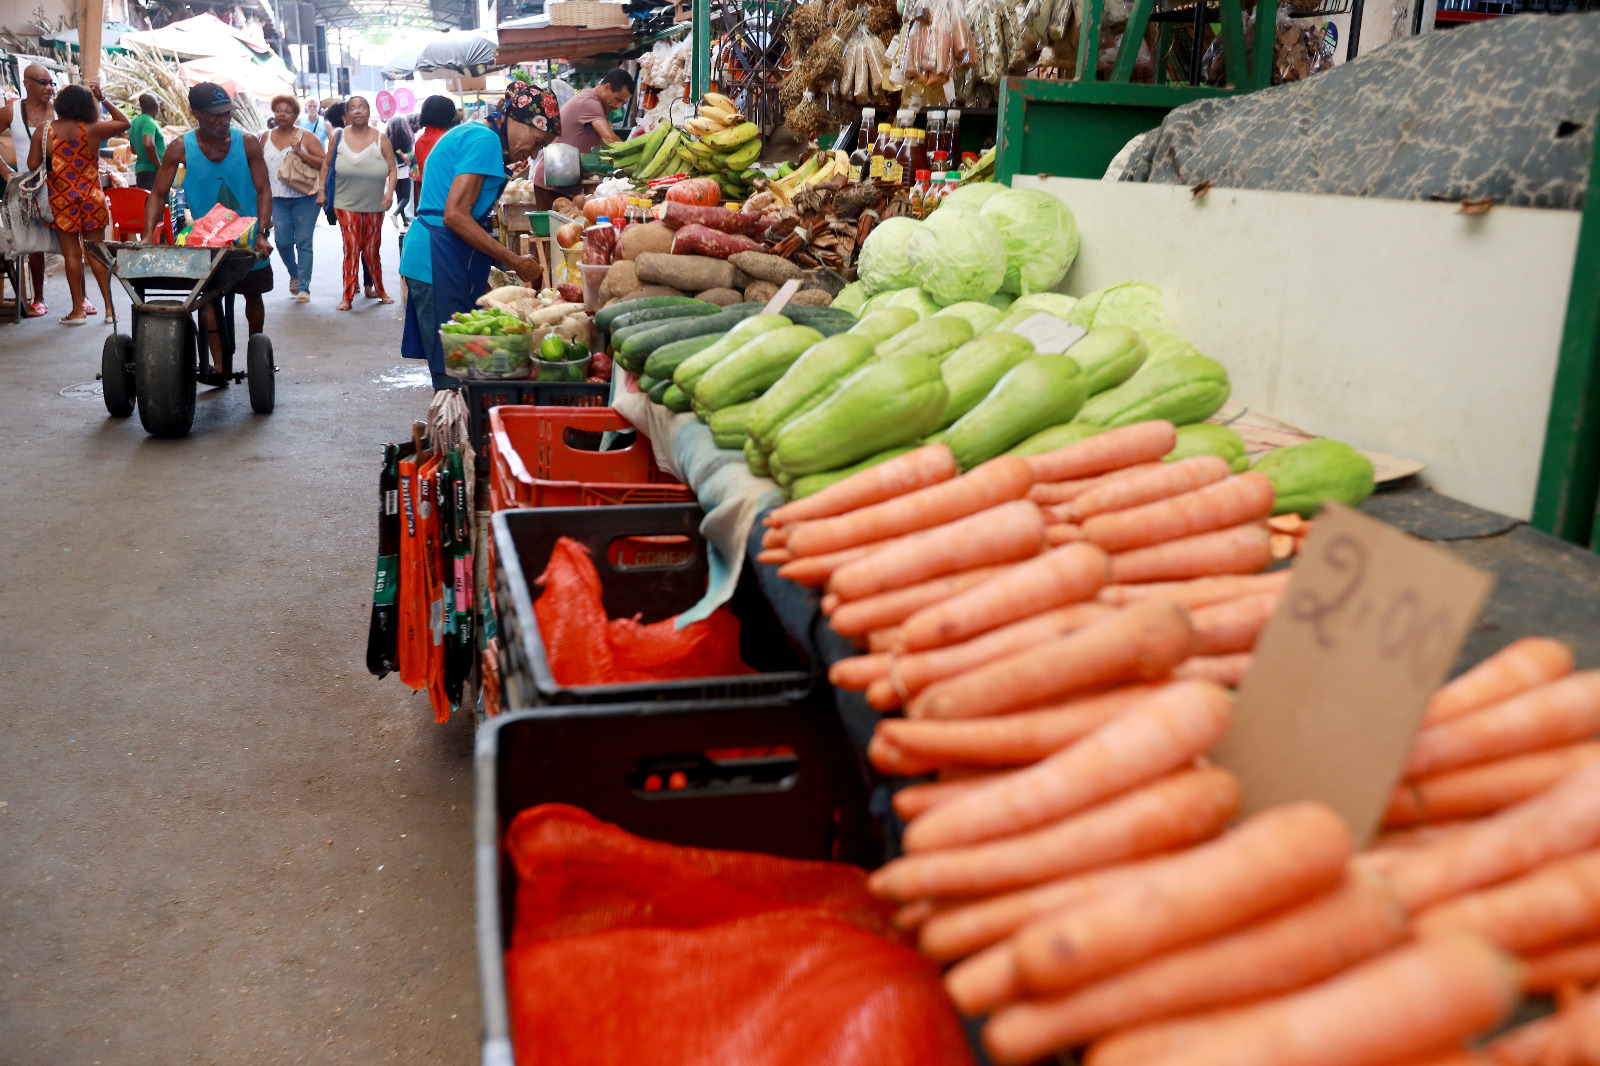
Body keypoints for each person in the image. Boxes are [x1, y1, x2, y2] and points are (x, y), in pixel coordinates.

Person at [399, 75, 554, 389]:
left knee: (459, 366)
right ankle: (452, 435)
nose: (533, 151)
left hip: (440, 255)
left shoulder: (476, 134)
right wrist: (514, 260)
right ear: (519, 120)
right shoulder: (484, 140)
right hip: (436, 257)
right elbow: (455, 216)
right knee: (454, 374)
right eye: (537, 141)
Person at [142, 83, 274, 365]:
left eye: (227, 114)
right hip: (207, 241)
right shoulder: (180, 148)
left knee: (253, 294)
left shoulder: (247, 142)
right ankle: (220, 365)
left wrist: (262, 232)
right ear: (196, 114)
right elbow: (158, 194)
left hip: (249, 239)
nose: (224, 120)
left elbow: (263, 189)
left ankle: (256, 355)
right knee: (207, 299)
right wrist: (146, 236)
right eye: (216, 115)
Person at [28, 81, 126, 325]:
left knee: (72, 255)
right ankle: (110, 309)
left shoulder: (44, 130)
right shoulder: (92, 129)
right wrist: (103, 98)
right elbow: (125, 122)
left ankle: (77, 311)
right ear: (86, 105)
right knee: (97, 252)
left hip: (61, 201)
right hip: (92, 199)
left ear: (60, 104)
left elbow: (31, 165)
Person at [316, 94, 396, 309]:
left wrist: (389, 194)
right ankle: (348, 296)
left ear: (369, 112)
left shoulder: (381, 138)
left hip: (374, 204)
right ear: (347, 115)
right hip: (345, 202)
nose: (358, 111)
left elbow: (392, 168)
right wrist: (321, 190)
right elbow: (325, 165)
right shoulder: (338, 136)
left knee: (372, 249)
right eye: (353, 108)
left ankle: (380, 290)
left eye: (362, 107)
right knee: (351, 247)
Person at [530, 67, 634, 210]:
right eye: (618, 99)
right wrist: (634, 158)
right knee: (554, 230)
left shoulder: (597, 103)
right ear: (607, 87)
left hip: (563, 181)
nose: (618, 106)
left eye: (623, 103)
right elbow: (610, 139)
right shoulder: (589, 102)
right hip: (552, 183)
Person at [1, 64, 57, 316]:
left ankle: (83, 300)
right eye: (43, 82)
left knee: (71, 241)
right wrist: (4, 170)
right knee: (35, 244)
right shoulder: (12, 111)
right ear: (27, 83)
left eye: (51, 83)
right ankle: (38, 298)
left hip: (59, 184)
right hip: (26, 186)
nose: (49, 87)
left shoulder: (60, 110)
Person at [260, 94, 325, 303]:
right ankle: (294, 273)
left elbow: (324, 163)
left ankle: (304, 287)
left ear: (296, 115)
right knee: (282, 241)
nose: (282, 114)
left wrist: (300, 152)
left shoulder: (305, 136)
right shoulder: (265, 137)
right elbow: (259, 167)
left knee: (304, 241)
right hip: (277, 198)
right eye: (278, 110)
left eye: (288, 111)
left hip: (305, 197)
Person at [410, 94, 456, 214]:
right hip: (448, 200)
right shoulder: (449, 139)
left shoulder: (420, 141)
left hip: (427, 201)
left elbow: (417, 176)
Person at [128, 93, 164, 191]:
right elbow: (148, 144)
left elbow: (133, 150)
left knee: (145, 203)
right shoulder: (148, 121)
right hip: (152, 171)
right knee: (159, 204)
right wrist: (159, 166)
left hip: (141, 171)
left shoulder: (134, 122)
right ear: (156, 106)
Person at [386, 113, 414, 231]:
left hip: (393, 171)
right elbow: (411, 154)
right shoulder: (407, 138)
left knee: (399, 196)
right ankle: (396, 213)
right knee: (406, 197)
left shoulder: (388, 139)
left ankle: (405, 221)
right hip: (405, 170)